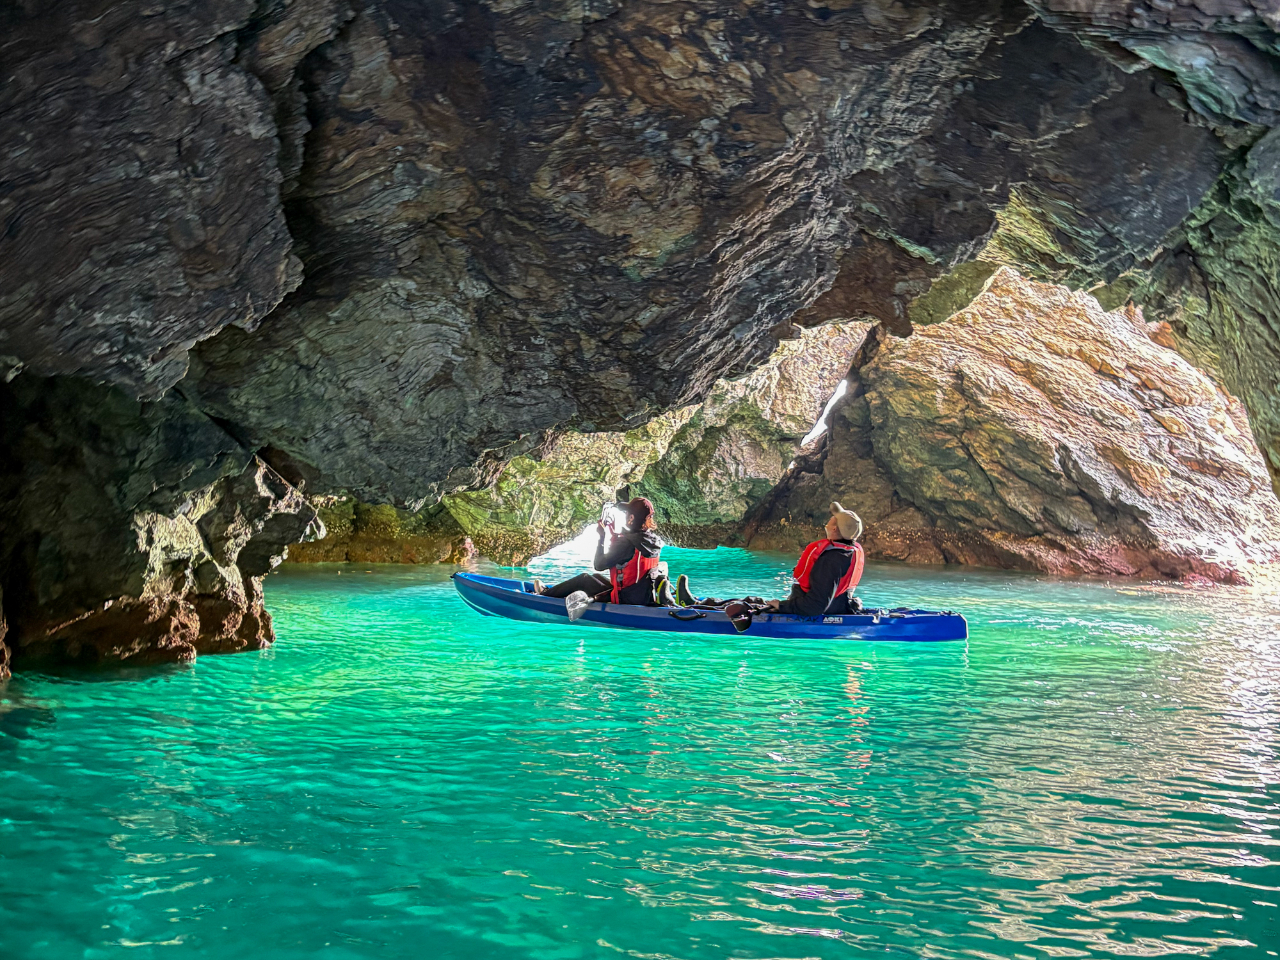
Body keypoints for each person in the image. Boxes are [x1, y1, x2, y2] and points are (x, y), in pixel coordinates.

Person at [675, 502, 865, 617]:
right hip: (833, 606)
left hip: (813, 612)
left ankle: (691, 607)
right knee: (754, 601)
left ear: (834, 530)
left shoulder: (832, 560)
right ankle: (698, 602)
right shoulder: (848, 551)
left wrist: (782, 605)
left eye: (832, 520)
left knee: (751, 605)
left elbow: (815, 607)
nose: (828, 520)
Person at [535, 497, 675, 606]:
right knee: (596, 578)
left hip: (626, 599)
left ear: (632, 518)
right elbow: (625, 556)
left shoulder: (626, 542)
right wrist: (613, 535)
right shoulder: (654, 540)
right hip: (645, 595)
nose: (626, 516)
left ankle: (545, 595)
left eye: (627, 514)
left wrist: (601, 537)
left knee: (584, 579)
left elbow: (599, 564)